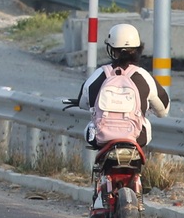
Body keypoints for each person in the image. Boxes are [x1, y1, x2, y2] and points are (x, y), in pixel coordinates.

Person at [64, 23, 170, 152]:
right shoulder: (144, 76)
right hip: (136, 137)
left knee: (90, 127)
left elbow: (83, 102)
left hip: (102, 135)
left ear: (111, 49)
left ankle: (100, 168)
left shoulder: (99, 74)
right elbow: (163, 110)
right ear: (138, 49)